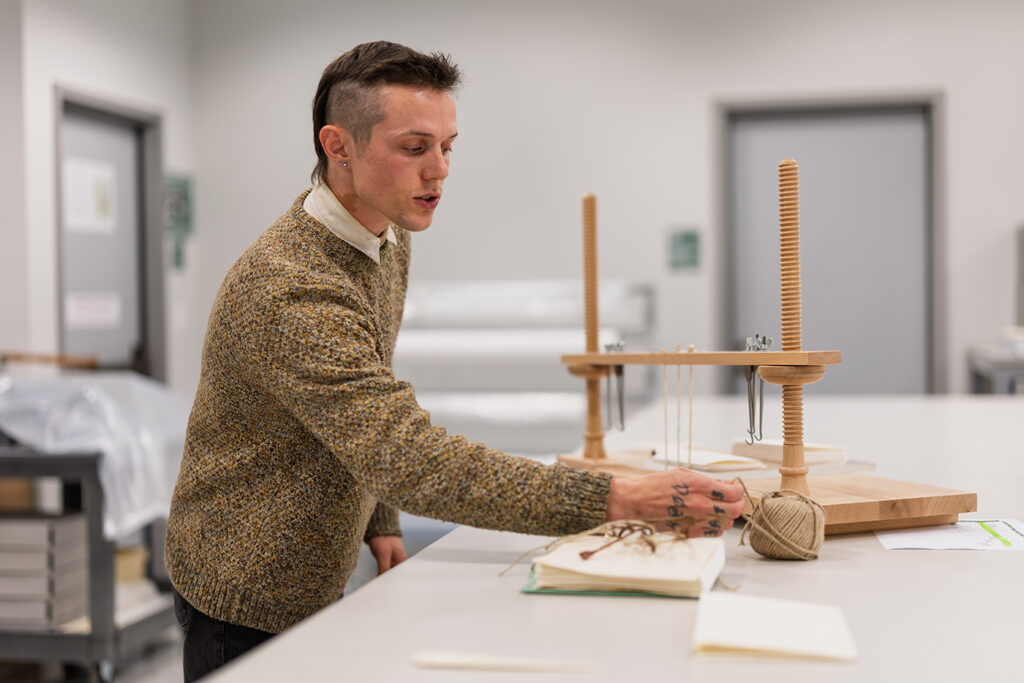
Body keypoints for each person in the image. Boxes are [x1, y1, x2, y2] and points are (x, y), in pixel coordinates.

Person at [165, 40, 744, 681]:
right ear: (339, 147)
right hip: (246, 594)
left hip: (315, 572)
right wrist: (618, 499)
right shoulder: (291, 285)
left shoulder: (384, 234)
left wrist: (378, 515)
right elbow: (406, 456)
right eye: (415, 148)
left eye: (448, 146)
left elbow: (366, 389)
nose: (439, 171)